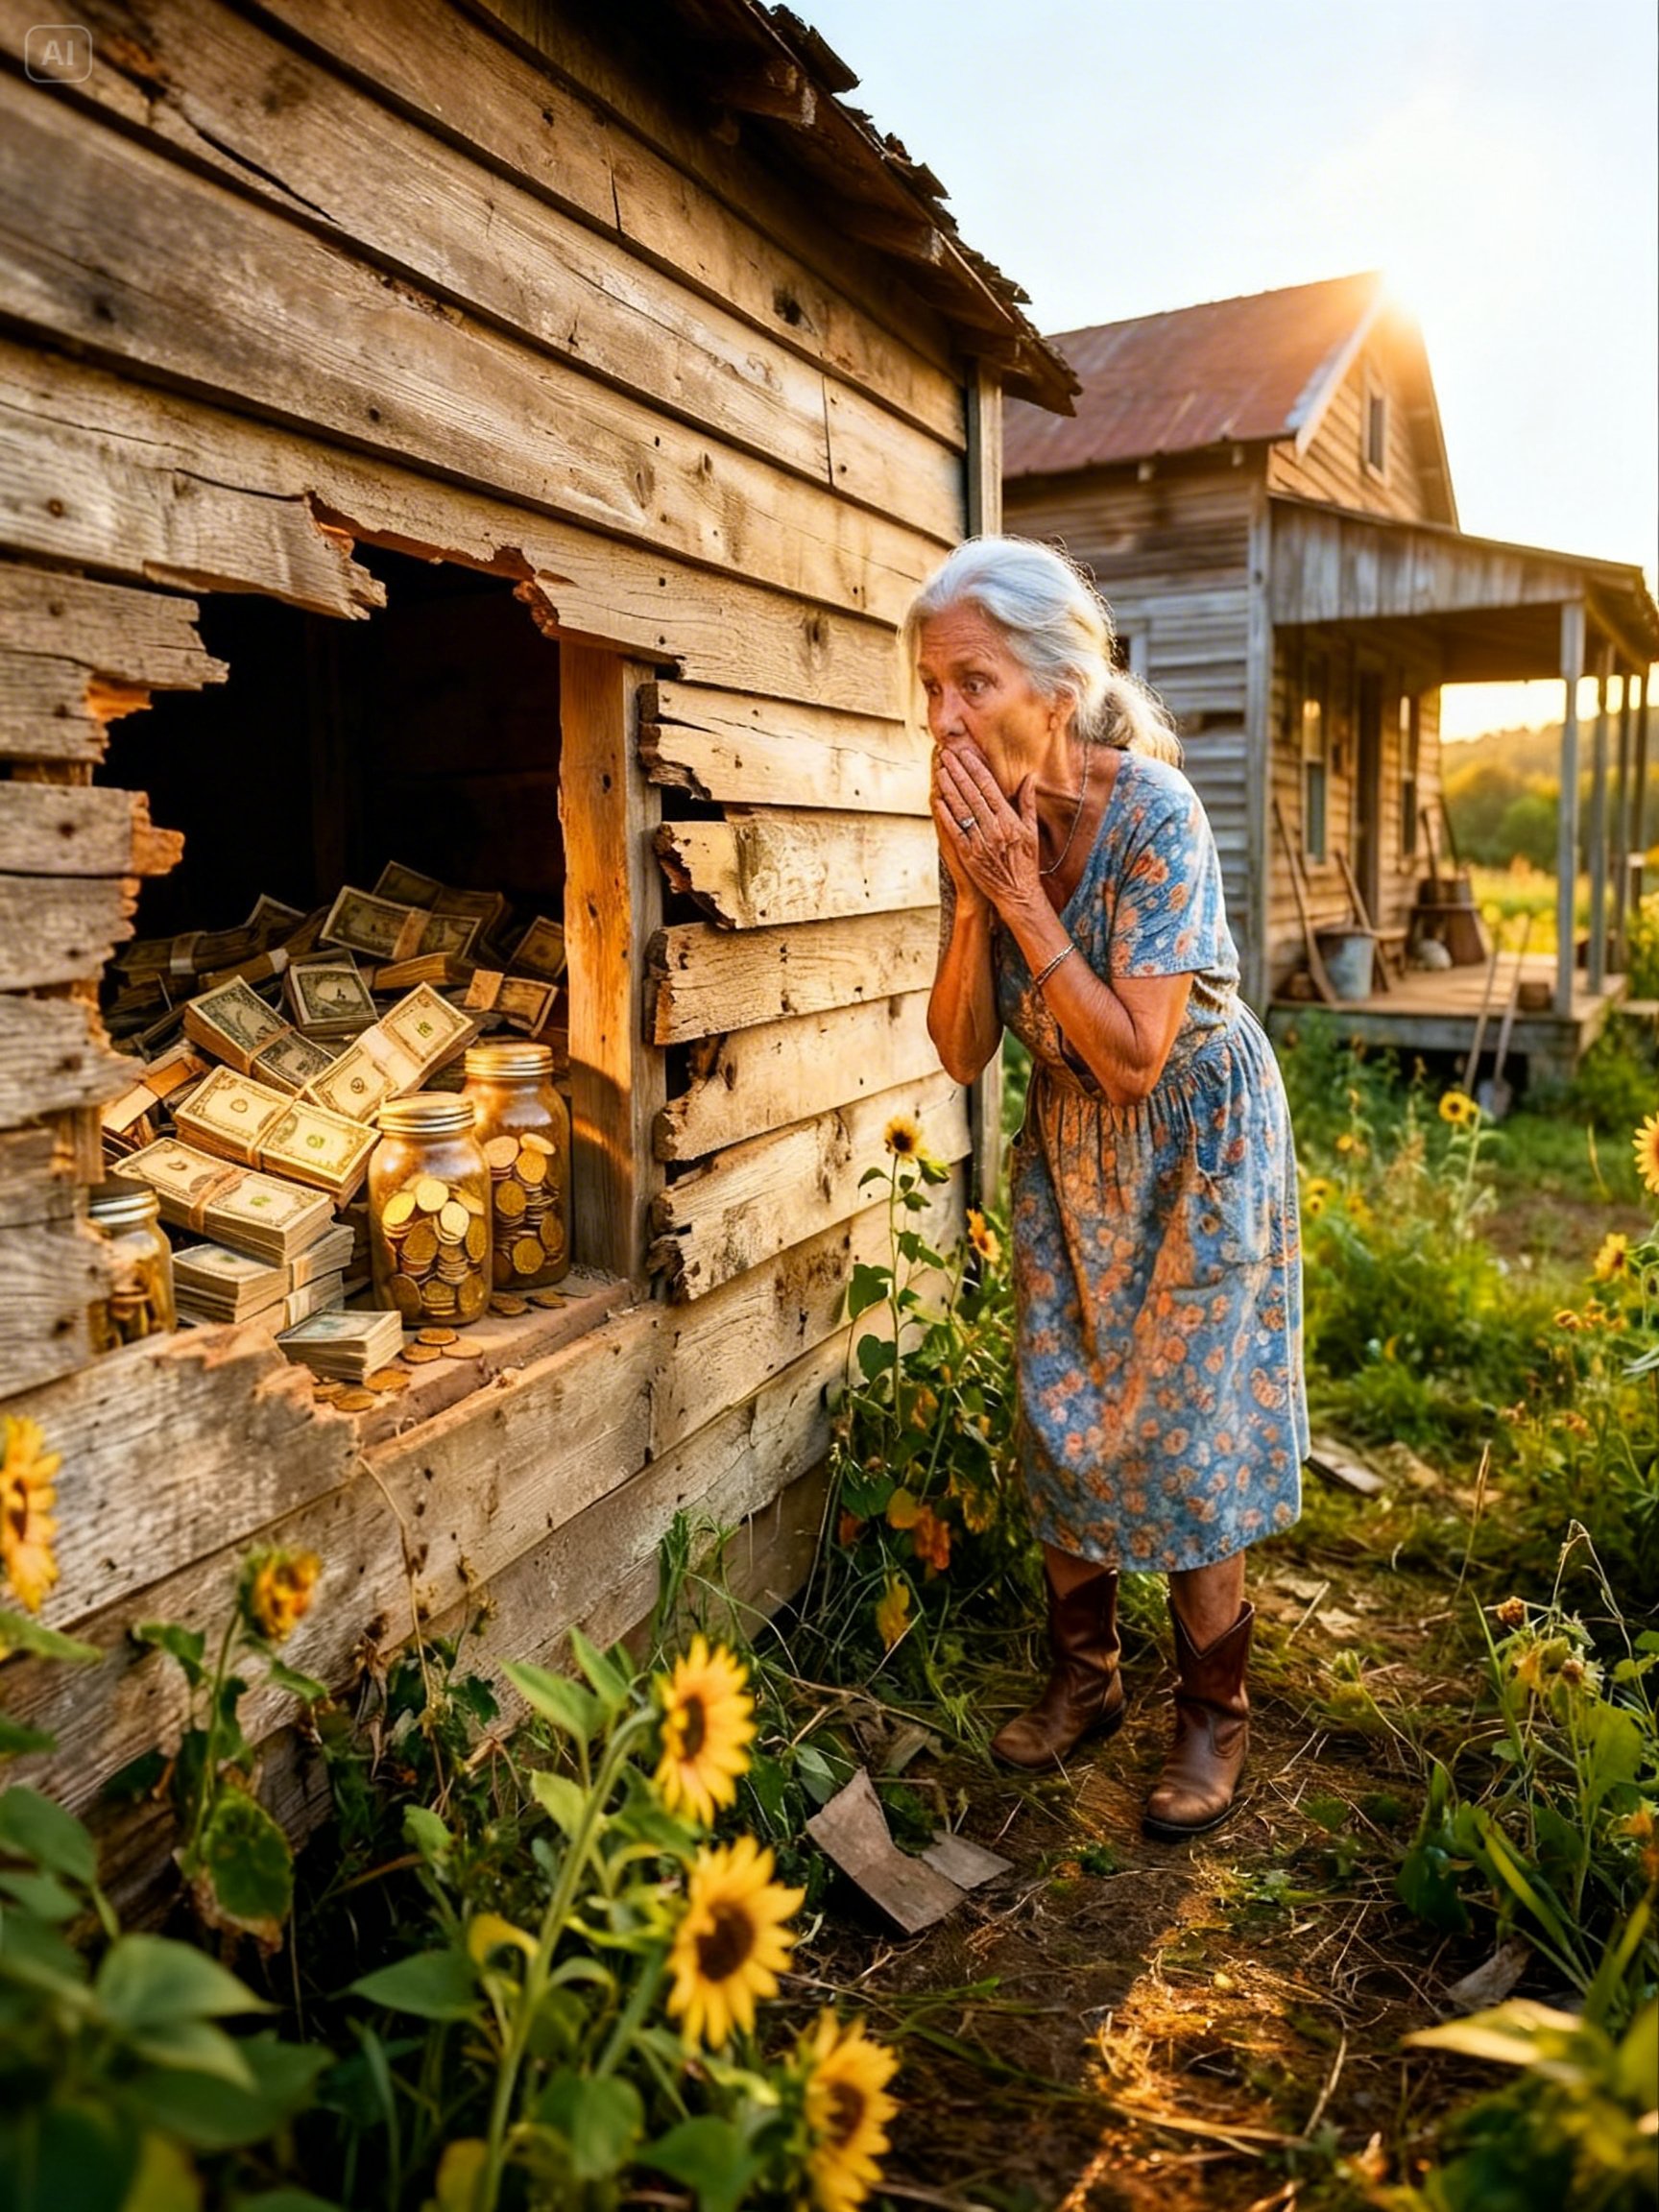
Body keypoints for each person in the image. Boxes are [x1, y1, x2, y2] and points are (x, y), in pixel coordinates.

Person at [907, 536, 1307, 1839]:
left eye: (969, 683)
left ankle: (1214, 1716)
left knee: (1186, 1426)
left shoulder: (1154, 820)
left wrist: (1024, 903)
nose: (943, 718)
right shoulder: (987, 825)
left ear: (1053, 687)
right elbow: (964, 1048)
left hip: (1190, 1139)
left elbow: (1136, 1058)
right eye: (930, 689)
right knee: (1062, 1398)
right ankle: (1087, 1681)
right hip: (1067, 1150)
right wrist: (975, 905)